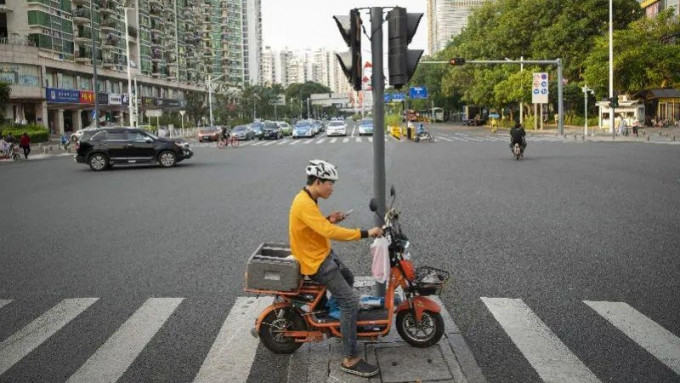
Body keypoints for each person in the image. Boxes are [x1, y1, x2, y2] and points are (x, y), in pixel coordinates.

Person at [289, 159, 383, 378]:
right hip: (315, 261)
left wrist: (329, 219)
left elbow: (315, 226)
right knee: (350, 301)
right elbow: (329, 233)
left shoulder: (309, 198)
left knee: (348, 279)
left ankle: (337, 318)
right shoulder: (304, 203)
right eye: (330, 183)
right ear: (319, 181)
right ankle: (350, 359)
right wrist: (365, 233)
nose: (332, 188)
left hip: (321, 252)